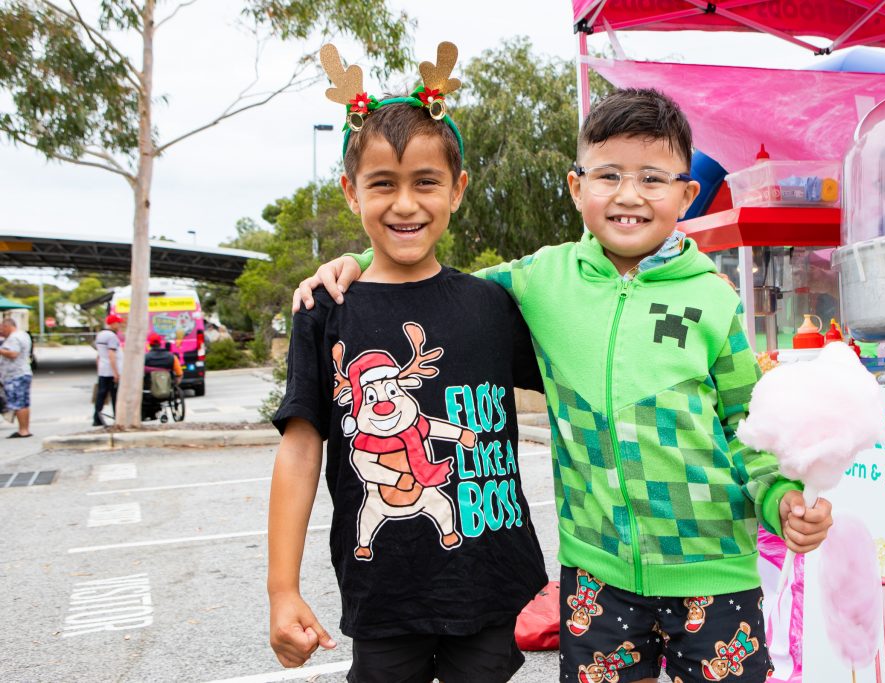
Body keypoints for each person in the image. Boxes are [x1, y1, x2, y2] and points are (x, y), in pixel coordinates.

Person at [296, 88, 834, 682]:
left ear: (686, 194)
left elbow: (746, 421)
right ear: (577, 187)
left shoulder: (714, 299)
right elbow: (422, 288)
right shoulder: (541, 281)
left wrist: (778, 495)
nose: (629, 195)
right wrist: (349, 265)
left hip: (715, 572)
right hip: (595, 578)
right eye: (609, 175)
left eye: (652, 178)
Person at [267, 42, 547, 683]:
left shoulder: (492, 303)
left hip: (488, 579)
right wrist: (282, 589)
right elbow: (302, 449)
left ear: (458, 189)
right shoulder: (326, 309)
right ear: (349, 191)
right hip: (382, 590)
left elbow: (576, 381)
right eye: (382, 184)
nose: (405, 204)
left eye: (426, 182)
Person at [0, 317, 33, 438]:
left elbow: (13, 353)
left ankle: (23, 430)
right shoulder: (23, 334)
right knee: (23, 403)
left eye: (2, 328)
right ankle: (24, 429)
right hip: (22, 373)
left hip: (15, 374)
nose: (1, 332)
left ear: (7, 326)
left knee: (19, 403)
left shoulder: (14, 338)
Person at [93, 313, 124, 426]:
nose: (120, 325)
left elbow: (99, 355)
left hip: (103, 369)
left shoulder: (100, 334)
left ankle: (97, 417)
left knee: (101, 394)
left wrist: (99, 369)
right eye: (118, 323)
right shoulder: (112, 337)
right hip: (111, 371)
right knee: (115, 395)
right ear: (113, 323)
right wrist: (116, 373)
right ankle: (118, 417)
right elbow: (112, 355)